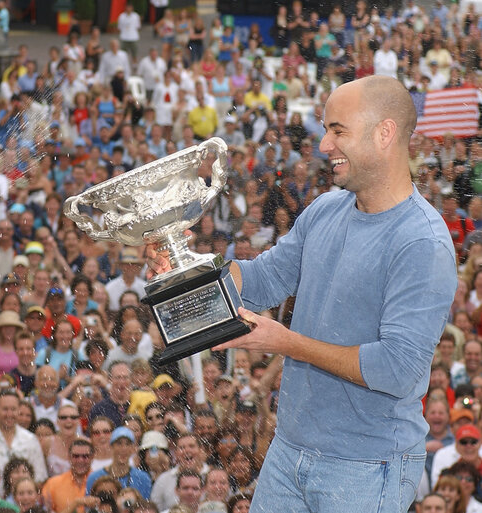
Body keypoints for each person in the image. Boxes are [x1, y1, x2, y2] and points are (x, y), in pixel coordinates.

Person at [150, 75, 457, 511]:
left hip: (366, 467)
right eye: (325, 129)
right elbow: (260, 281)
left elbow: (397, 370)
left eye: (338, 130)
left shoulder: (422, 242)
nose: (323, 146)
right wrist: (186, 268)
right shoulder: (325, 209)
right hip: (288, 449)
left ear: (385, 134)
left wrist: (286, 343)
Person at [41, 439, 95, 513]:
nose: (80, 460)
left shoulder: (100, 481)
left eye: (85, 456)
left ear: (92, 458)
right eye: (76, 456)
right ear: (69, 457)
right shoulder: (53, 483)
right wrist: (76, 503)